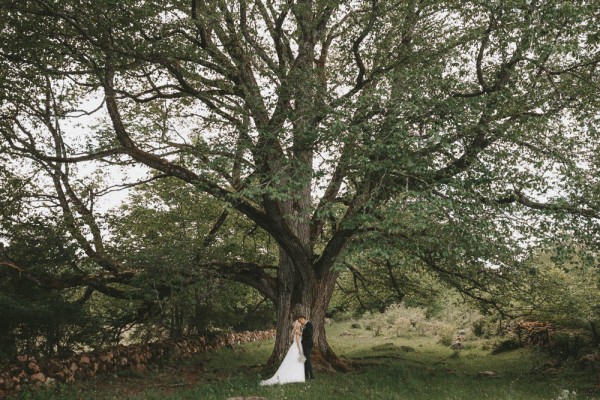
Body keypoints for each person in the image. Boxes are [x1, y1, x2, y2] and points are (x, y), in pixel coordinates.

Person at [259, 319, 306, 385]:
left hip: (293, 346)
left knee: (294, 361)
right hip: (297, 347)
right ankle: (297, 377)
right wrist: (300, 351)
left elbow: (293, 339)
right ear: (297, 324)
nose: (300, 323)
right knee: (297, 361)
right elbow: (298, 342)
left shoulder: (294, 331)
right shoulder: (298, 331)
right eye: (299, 322)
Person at [298, 315, 315, 380]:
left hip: (308, 344)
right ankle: (306, 375)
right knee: (305, 360)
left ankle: (312, 376)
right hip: (304, 344)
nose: (300, 323)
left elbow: (310, 334)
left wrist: (301, 334)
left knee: (307, 360)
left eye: (300, 321)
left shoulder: (309, 324)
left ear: (302, 319)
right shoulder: (304, 326)